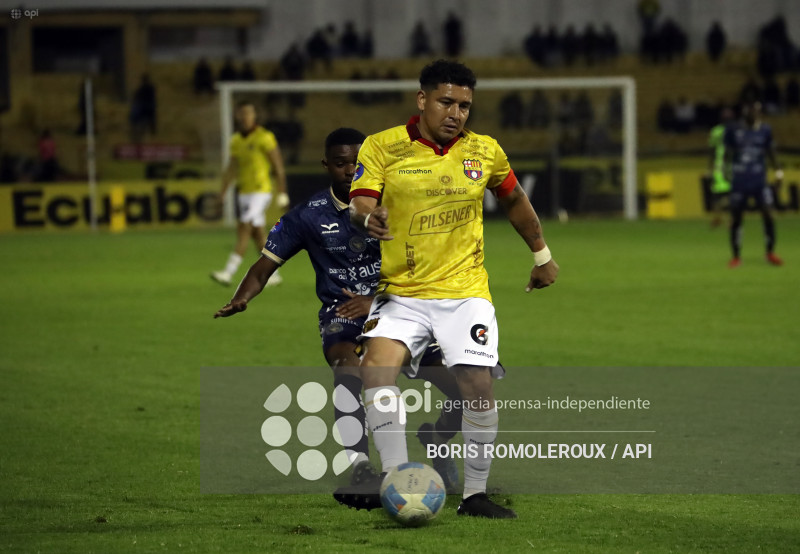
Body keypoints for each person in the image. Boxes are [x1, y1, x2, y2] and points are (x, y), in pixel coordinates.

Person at [333, 60, 559, 518]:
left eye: (464, 105)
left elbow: (513, 197)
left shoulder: (485, 151)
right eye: (446, 102)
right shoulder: (383, 147)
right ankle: (398, 481)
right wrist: (366, 216)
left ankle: (475, 496)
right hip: (402, 292)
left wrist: (541, 254)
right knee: (376, 372)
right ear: (422, 100)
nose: (456, 113)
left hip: (465, 292)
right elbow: (360, 201)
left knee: (477, 385)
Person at [213, 128, 462, 491]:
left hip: (403, 309)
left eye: (357, 164)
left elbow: (429, 266)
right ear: (327, 165)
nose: (349, 171)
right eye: (341, 164)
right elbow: (264, 265)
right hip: (342, 314)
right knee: (347, 369)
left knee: (464, 392)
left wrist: (377, 299)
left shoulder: (399, 204)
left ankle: (438, 441)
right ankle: (360, 465)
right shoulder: (308, 216)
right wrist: (243, 296)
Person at [211, 101, 289, 286]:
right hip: (244, 192)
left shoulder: (265, 137)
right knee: (258, 235)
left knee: (243, 227)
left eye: (248, 113)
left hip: (261, 191)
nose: (245, 117)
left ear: (255, 116)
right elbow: (231, 168)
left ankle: (228, 273)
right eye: (242, 113)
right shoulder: (236, 140)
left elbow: (278, 166)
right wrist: (222, 193)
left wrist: (282, 192)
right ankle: (274, 274)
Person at [724, 101, 783, 267]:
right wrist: (724, 172)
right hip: (740, 180)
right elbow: (727, 154)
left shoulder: (765, 130)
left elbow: (771, 152)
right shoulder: (733, 130)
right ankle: (736, 256)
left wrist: (778, 173)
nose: (753, 113)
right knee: (736, 218)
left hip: (759, 180)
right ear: (744, 112)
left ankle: (770, 252)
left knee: (768, 213)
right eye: (750, 110)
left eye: (756, 111)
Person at [707, 107, 733, 227]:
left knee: (718, 195)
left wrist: (709, 167)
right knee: (728, 194)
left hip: (720, 165)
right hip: (728, 165)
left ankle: (719, 218)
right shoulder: (734, 130)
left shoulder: (715, 131)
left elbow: (711, 151)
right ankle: (727, 219)